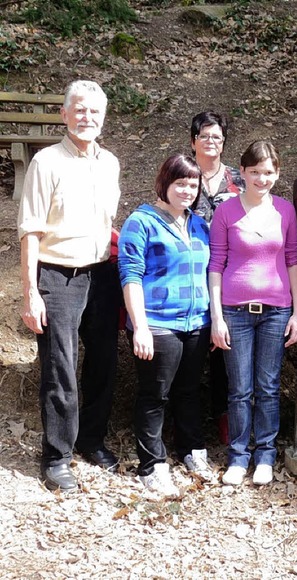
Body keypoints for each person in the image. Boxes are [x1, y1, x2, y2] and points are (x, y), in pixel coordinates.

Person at [17, 80, 121, 492]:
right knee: (60, 368)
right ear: (64, 114)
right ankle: (57, 455)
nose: (87, 118)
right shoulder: (46, 162)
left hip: (101, 273)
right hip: (57, 275)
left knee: (103, 362)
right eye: (79, 110)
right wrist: (30, 291)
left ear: (103, 117)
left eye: (95, 112)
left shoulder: (109, 162)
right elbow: (29, 231)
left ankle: (91, 439)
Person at [118, 154, 213, 496]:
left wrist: (213, 319)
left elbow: (210, 273)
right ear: (165, 183)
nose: (187, 191)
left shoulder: (199, 225)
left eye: (193, 184)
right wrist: (140, 326)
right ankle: (152, 464)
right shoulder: (141, 222)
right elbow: (130, 275)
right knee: (155, 394)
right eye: (180, 184)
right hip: (157, 323)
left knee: (188, 391)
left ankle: (192, 450)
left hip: (196, 322)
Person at [209, 140, 297, 486]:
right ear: (242, 173)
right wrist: (217, 316)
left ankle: (265, 455)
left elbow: (292, 260)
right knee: (239, 389)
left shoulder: (286, 211)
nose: (261, 179)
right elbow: (215, 264)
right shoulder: (226, 211)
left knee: (267, 386)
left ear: (276, 173)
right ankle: (238, 456)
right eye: (254, 172)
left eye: (268, 172)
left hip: (276, 311)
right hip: (235, 311)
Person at [190, 111, 245, 445]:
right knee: (194, 350)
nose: (211, 142)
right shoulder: (182, 174)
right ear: (193, 140)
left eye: (217, 137)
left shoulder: (237, 179)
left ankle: (226, 422)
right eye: (205, 136)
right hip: (192, 273)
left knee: (227, 352)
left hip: (230, 273)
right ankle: (190, 427)